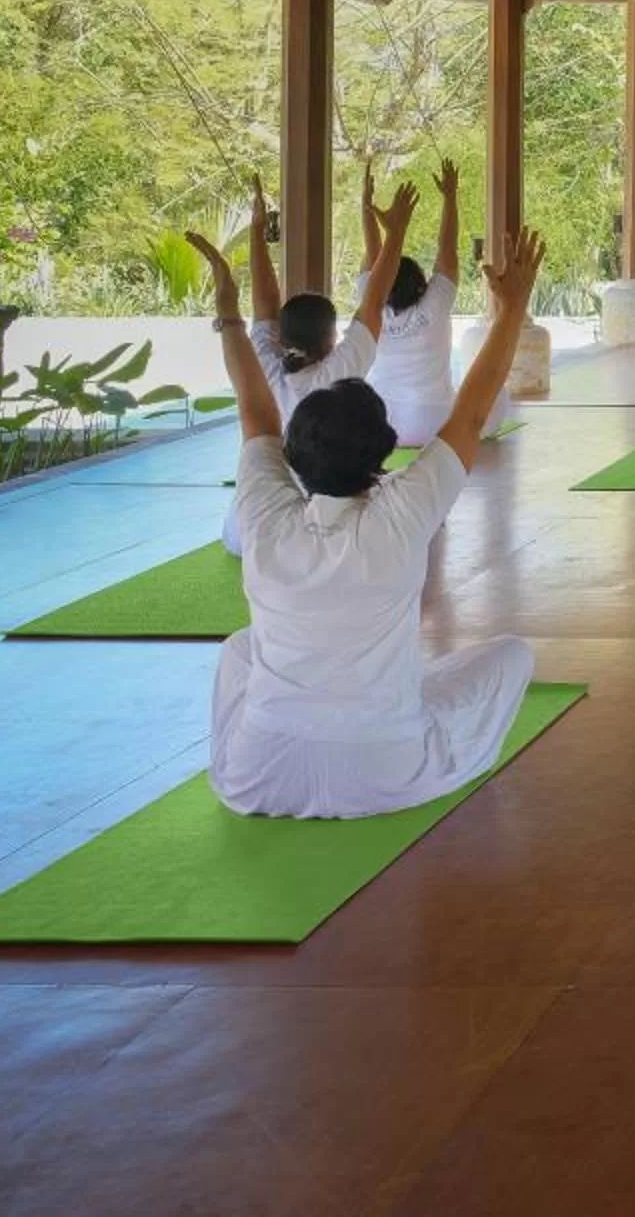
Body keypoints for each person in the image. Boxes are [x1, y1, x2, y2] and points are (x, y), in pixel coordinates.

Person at [196, 208, 548, 819]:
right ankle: (397, 701)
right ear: (385, 451)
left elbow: (256, 411)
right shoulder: (404, 511)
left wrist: (230, 309)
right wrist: (512, 306)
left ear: (294, 455)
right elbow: (469, 413)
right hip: (387, 772)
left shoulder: (264, 513)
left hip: (255, 778)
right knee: (512, 655)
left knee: (239, 649)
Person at [219, 171, 416, 556]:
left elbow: (263, 303)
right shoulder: (338, 373)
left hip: (245, 530)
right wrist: (396, 233)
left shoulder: (264, 360)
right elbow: (375, 299)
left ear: (283, 336)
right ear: (331, 339)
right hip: (307, 532)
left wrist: (258, 231)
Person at [358, 158, 471, 451]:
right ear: (421, 284)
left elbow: (374, 257)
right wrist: (450, 196)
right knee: (499, 397)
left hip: (379, 425)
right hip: (435, 425)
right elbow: (447, 249)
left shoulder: (371, 306)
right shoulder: (433, 306)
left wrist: (366, 207)